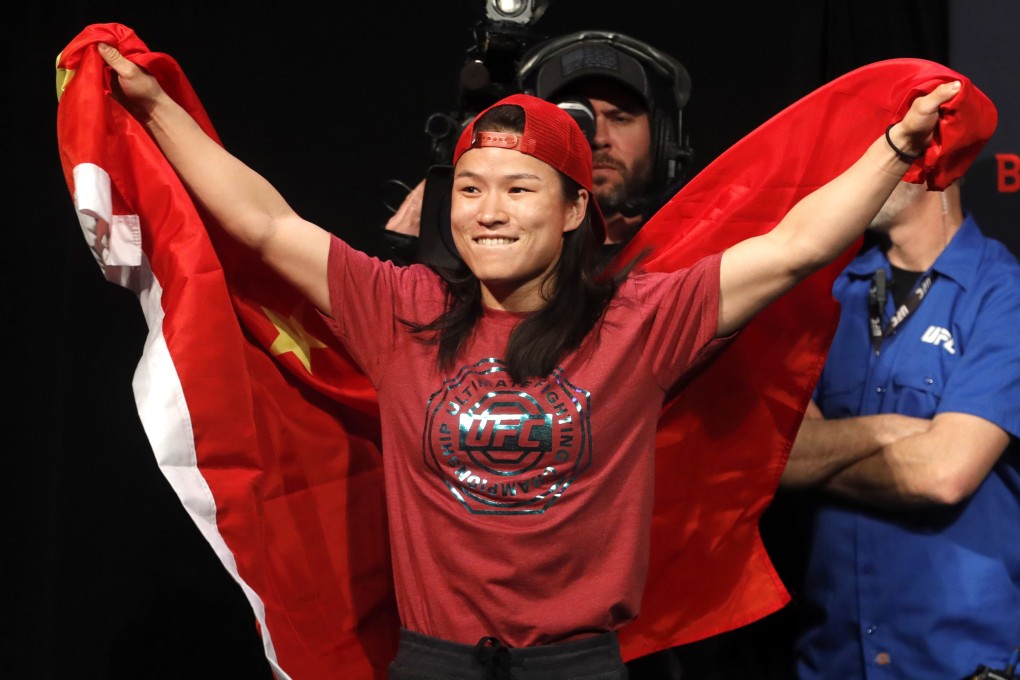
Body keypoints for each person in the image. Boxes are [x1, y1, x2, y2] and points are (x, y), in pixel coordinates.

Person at [95, 36, 963, 679]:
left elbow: (796, 246)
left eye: (518, 190)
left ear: (575, 209)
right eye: (470, 190)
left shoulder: (640, 320)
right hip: (431, 665)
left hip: (577, 669)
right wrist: (152, 104)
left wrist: (895, 144)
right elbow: (265, 224)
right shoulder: (403, 308)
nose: (489, 211)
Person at [777, 180, 1020, 678]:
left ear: (935, 164)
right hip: (832, 657)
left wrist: (817, 458)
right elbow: (775, 459)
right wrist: (893, 431)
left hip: (960, 662)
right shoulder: (825, 297)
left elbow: (942, 474)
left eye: (891, 144)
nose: (866, 167)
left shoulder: (1004, 293)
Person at [384, 31, 692, 266]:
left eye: (620, 117)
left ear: (663, 141)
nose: (598, 137)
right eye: (574, 119)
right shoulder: (489, 264)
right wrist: (416, 258)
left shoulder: (697, 253)